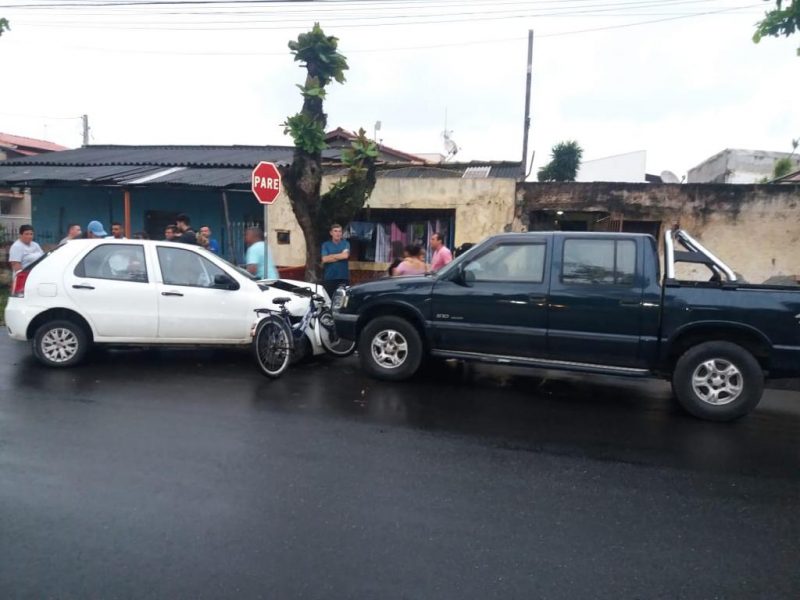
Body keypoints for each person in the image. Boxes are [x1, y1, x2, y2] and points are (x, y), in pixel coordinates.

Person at [321, 223, 350, 298]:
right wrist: (340, 255)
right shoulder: (326, 245)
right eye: (335, 231)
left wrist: (331, 256)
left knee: (342, 301)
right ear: (331, 233)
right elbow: (324, 259)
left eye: (340, 231)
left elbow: (345, 255)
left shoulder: (346, 244)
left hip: (343, 278)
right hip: (329, 278)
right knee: (329, 301)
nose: (338, 233)